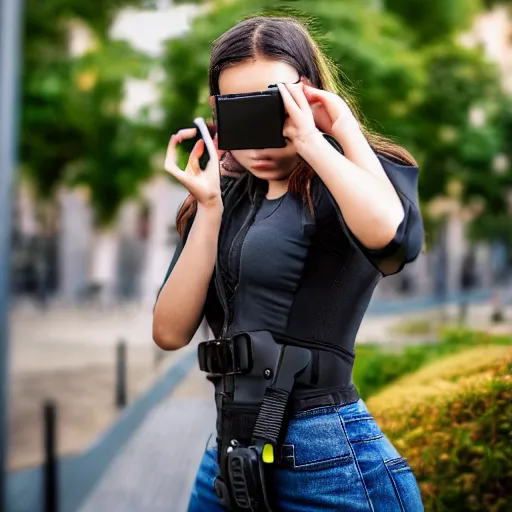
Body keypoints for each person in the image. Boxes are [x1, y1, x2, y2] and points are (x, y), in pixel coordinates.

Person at [153, 15, 425, 512]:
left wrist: (329, 133)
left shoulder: (351, 176)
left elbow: (393, 237)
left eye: (272, 107)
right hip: (230, 456)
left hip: (328, 460)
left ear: (308, 97)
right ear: (217, 111)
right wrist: (209, 210)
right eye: (241, 112)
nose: (259, 138)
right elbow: (169, 332)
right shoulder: (223, 196)